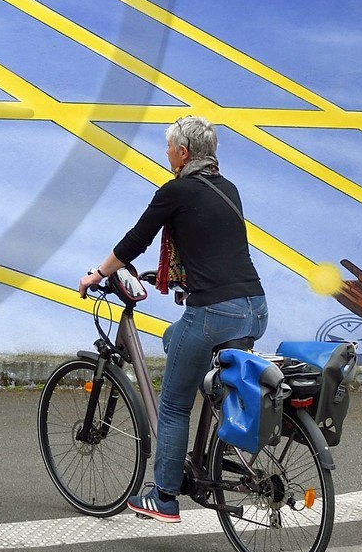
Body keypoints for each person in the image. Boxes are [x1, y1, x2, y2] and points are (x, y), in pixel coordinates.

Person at [79, 113, 266, 521]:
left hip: (215, 311)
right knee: (173, 339)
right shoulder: (228, 189)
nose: (165, 154)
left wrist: (99, 273)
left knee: (175, 403)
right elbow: (212, 245)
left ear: (183, 153)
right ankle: (216, 435)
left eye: (168, 148)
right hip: (254, 307)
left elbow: (136, 239)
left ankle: (164, 496)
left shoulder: (176, 190)